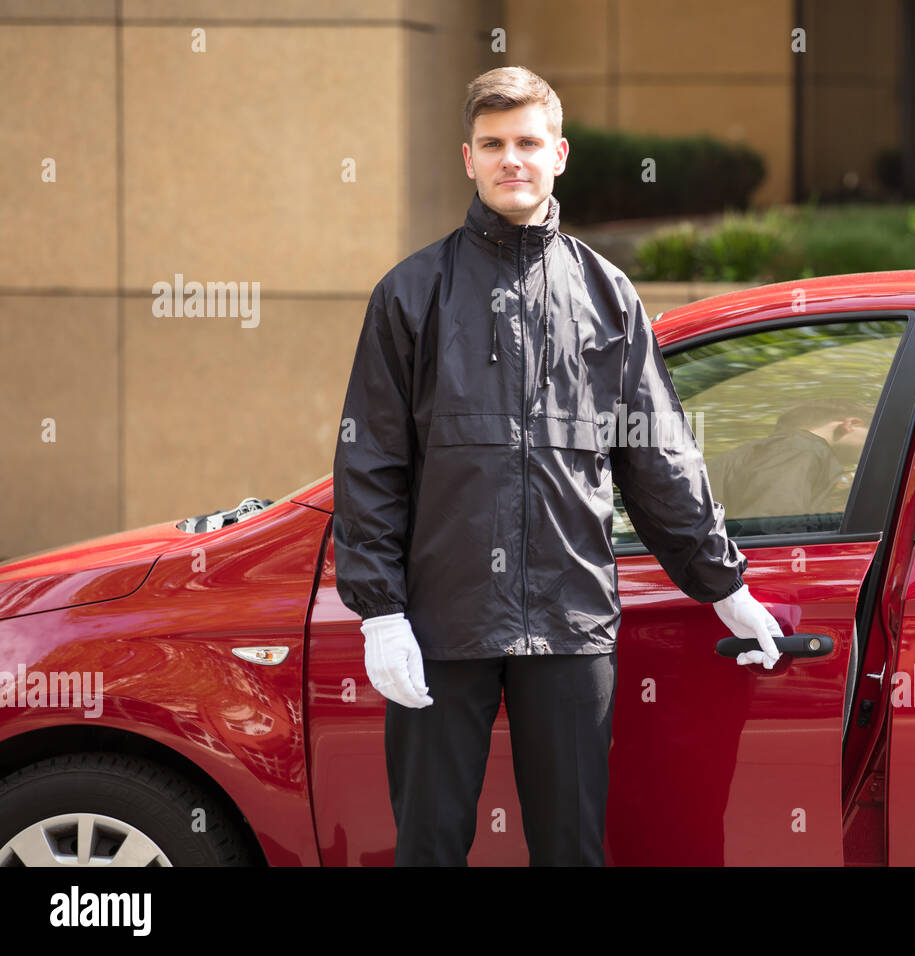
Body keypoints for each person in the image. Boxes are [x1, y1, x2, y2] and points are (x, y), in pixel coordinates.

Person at [331, 65, 784, 866]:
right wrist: (381, 612)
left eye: (529, 143)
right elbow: (371, 464)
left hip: (572, 624)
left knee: (572, 848)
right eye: (494, 144)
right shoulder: (410, 294)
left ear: (560, 154)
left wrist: (724, 584)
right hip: (443, 621)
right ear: (467, 158)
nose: (513, 159)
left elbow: (657, 452)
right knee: (429, 844)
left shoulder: (608, 296)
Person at [705, 399, 872, 528]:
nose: (876, 444)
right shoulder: (800, 448)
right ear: (851, 424)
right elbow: (770, 524)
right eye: (874, 432)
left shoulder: (784, 449)